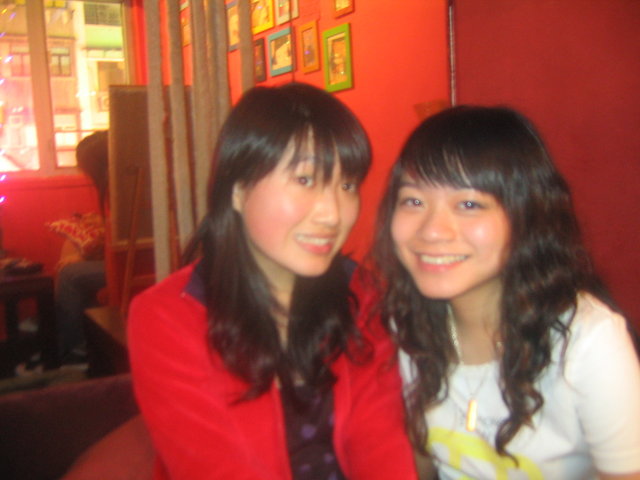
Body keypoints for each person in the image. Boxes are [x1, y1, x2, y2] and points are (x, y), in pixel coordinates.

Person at [127, 83, 418, 480]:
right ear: (238, 189)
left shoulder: (360, 294)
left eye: (347, 185)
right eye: (305, 180)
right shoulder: (166, 317)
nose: (333, 214)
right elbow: (217, 468)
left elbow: (381, 445)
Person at [372, 105, 640, 479]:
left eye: (469, 204)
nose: (432, 230)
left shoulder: (588, 341)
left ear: (526, 215)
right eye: (413, 201)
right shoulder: (404, 327)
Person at [54, 131, 108, 364]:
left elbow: (119, 238)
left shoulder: (118, 187)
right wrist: (99, 222)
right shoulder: (114, 185)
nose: (82, 172)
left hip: (129, 264)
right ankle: (80, 339)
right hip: (118, 258)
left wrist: (84, 256)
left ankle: (74, 351)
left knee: (69, 274)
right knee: (69, 256)